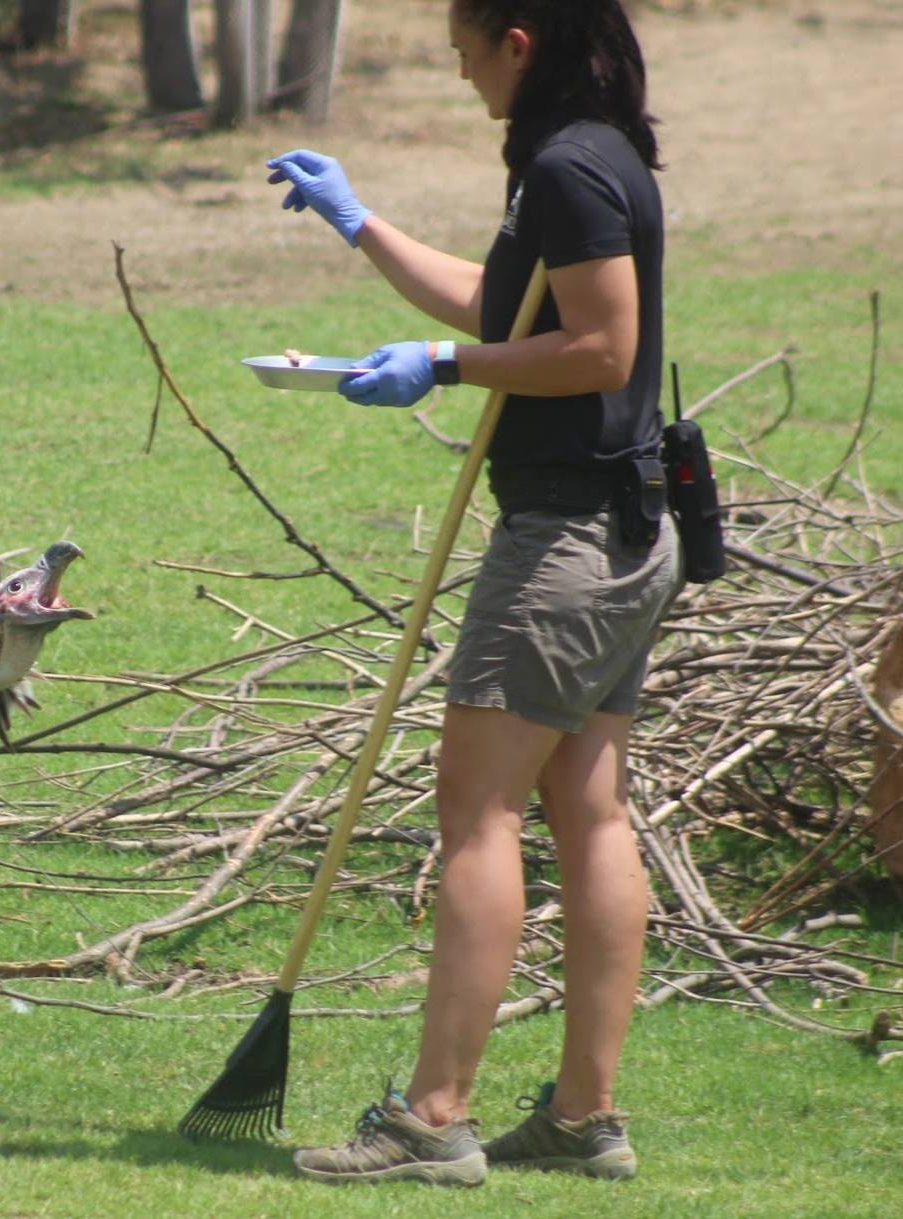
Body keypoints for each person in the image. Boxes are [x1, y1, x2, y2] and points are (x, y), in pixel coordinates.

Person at [265, 0, 680, 1188]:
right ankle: (580, 1117)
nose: (459, 76)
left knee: (477, 816)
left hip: (564, 539)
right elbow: (510, 315)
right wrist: (360, 226)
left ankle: (432, 1119)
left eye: (463, 53)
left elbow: (600, 345)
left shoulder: (564, 166)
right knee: (588, 813)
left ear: (520, 42)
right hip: (626, 534)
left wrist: (442, 369)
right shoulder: (598, 153)